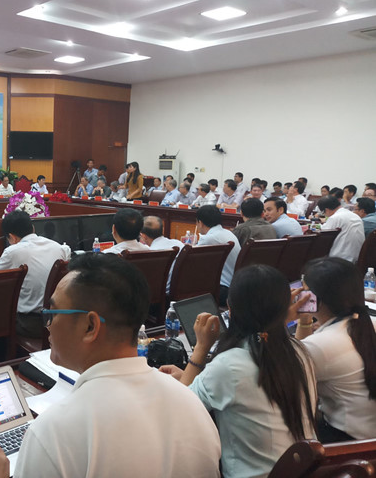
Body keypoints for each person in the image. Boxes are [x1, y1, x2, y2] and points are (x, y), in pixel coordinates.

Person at [0, 253, 222, 478]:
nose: (49, 326)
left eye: (52, 314)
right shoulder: (191, 404)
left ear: (90, 326)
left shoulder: (54, 431)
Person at [159, 265, 316, 478]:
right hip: (302, 472)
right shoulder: (300, 352)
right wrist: (198, 376)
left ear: (230, 310)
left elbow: (180, 410)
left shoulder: (229, 366)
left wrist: (201, 348)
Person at [296, 258, 376, 441]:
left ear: (316, 300)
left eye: (304, 291)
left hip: (348, 444)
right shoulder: (367, 323)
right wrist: (306, 320)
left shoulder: (319, 345)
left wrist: (291, 318)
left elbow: (293, 367)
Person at [0, 210, 70, 338]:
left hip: (31, 324)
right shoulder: (58, 247)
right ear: (33, 228)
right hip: (58, 320)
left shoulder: (12, 251)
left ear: (11, 237)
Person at [195, 205, 241, 305]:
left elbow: (191, 261)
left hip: (222, 290)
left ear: (200, 223)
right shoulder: (228, 233)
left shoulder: (209, 238)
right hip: (234, 286)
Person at [140, 216, 182, 293]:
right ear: (163, 230)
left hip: (162, 294)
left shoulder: (150, 254)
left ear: (143, 236)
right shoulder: (179, 244)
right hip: (181, 291)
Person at [317, 196, 365, 263]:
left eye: (323, 212)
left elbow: (323, 236)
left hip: (339, 259)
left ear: (326, 210)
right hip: (358, 258)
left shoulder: (335, 217)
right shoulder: (355, 216)